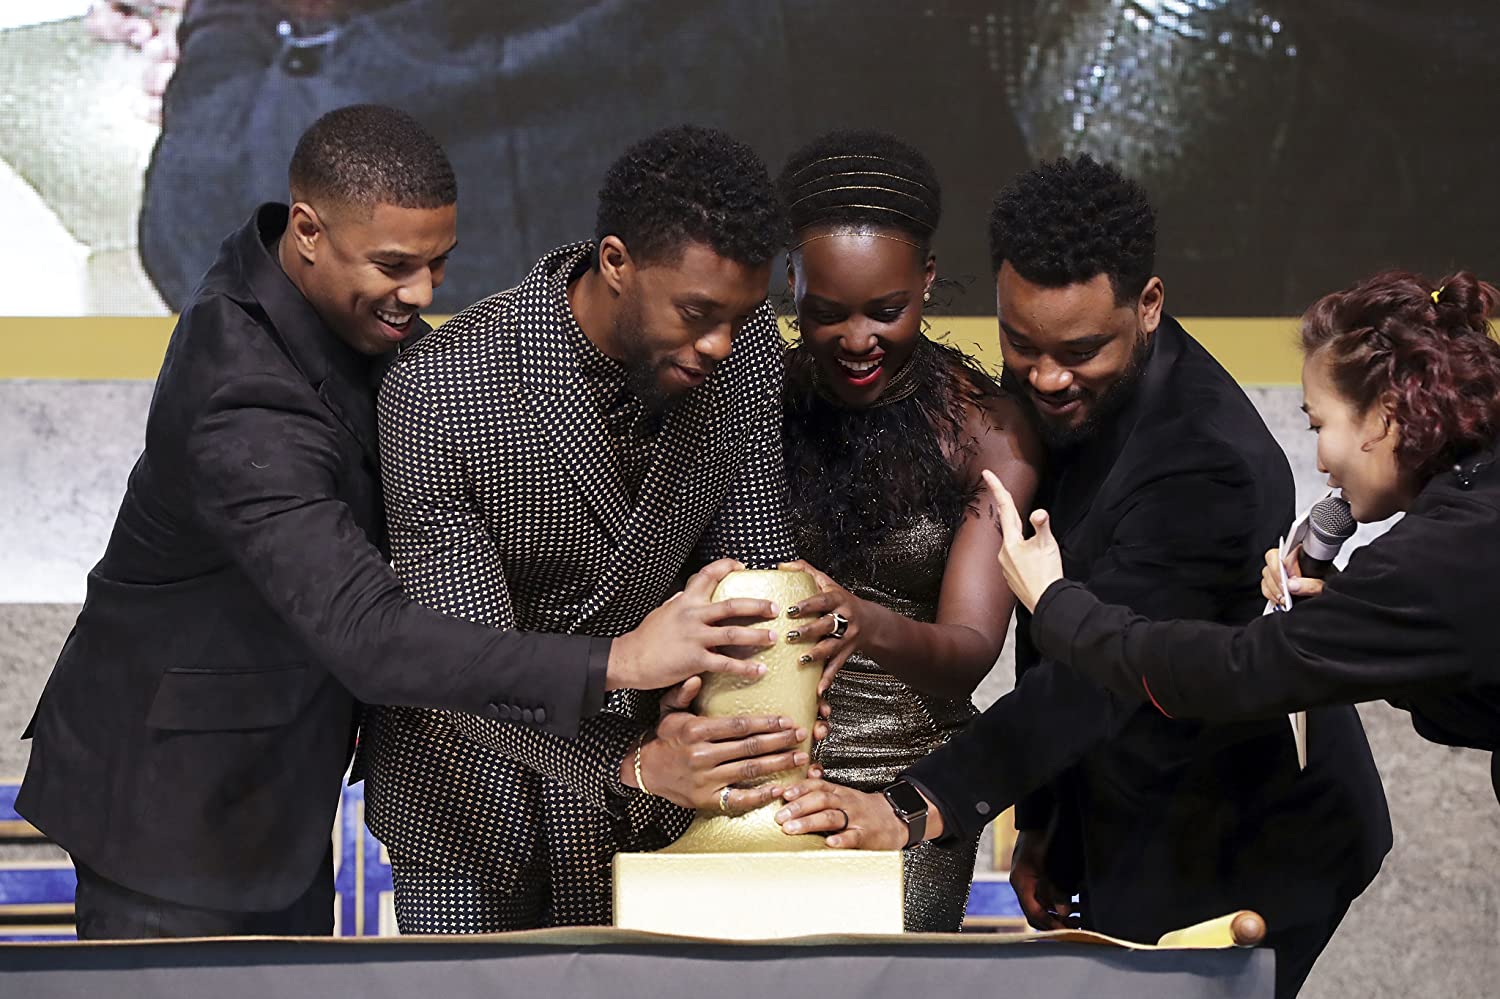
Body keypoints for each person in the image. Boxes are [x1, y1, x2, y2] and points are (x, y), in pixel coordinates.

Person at [16, 106, 771, 940]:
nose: (422, 294)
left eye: (438, 263)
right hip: (171, 797)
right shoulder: (243, 393)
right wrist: (625, 660)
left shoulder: (334, 309)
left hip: (277, 789)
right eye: (394, 265)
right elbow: (368, 635)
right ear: (307, 231)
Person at [775, 155, 1392, 997]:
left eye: (1079, 351)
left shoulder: (1206, 465)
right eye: (1021, 344)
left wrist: (912, 806)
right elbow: (1053, 619)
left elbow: (1096, 679)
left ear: (1149, 304)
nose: (1045, 377)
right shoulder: (1057, 381)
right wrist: (1047, 822)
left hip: (1244, 835)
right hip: (1124, 791)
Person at [359, 125, 814, 932]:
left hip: (655, 813)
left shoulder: (745, 361)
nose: (720, 343)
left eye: (743, 316)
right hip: (471, 810)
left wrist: (780, 657)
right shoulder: (439, 391)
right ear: (615, 261)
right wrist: (634, 760)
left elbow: (754, 574)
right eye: (697, 312)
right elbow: (458, 668)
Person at [981, 268, 1500, 802]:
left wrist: (1057, 605)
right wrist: (1349, 617)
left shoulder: (1441, 553)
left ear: (1385, 416)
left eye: (1318, 426)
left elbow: (1236, 670)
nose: (1321, 465)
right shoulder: (1470, 521)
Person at [773, 130, 1042, 931]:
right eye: (826, 313)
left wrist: (865, 622)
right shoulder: (753, 403)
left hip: (905, 794)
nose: (857, 340)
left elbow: (969, 650)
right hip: (758, 777)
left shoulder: (986, 432)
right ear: (791, 283)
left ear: (927, 280)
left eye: (886, 312)